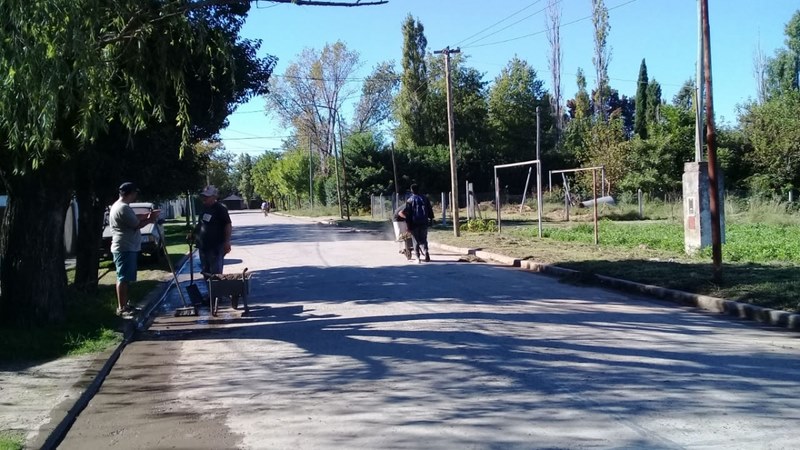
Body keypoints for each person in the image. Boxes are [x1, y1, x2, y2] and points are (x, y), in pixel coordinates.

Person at [109, 182, 159, 316]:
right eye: (135, 193)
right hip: (124, 247)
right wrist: (151, 219)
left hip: (126, 246)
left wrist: (147, 215)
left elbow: (134, 218)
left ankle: (125, 304)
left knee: (126, 277)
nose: (136, 195)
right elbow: (136, 224)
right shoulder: (123, 208)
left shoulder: (120, 206)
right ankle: (122, 307)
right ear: (130, 193)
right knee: (123, 278)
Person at [193, 185, 232, 280]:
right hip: (203, 246)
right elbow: (201, 224)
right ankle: (210, 293)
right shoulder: (203, 208)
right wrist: (194, 234)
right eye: (203, 196)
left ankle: (217, 294)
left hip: (215, 247)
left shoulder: (220, 208)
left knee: (216, 274)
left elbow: (228, 225)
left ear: (214, 197)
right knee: (205, 272)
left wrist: (227, 242)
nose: (204, 198)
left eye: (207, 196)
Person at [398, 184, 434, 263]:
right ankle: (426, 252)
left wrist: (408, 225)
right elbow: (430, 210)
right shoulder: (425, 198)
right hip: (424, 222)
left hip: (414, 223)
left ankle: (418, 258)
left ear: (411, 190)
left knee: (415, 240)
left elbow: (408, 214)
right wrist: (431, 220)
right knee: (424, 239)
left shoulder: (410, 200)